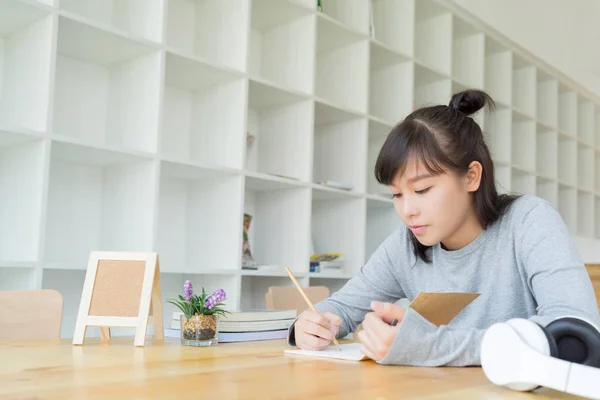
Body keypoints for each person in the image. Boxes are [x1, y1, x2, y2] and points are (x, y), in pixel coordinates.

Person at [287, 89, 600, 366]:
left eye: (422, 189)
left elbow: (576, 332)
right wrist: (311, 324)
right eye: (396, 194)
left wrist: (429, 346)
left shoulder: (529, 221)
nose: (407, 210)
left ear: (471, 177)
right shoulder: (406, 244)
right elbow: (342, 306)